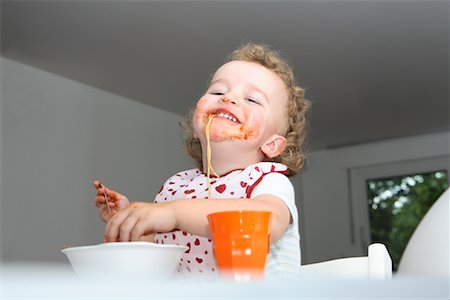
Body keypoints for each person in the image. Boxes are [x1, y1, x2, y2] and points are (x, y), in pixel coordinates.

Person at [94, 43, 310, 280]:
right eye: (218, 92)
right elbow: (168, 250)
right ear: (196, 130)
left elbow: (266, 221)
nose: (229, 98)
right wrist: (133, 221)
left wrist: (173, 213)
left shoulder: (268, 180)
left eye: (252, 99)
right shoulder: (178, 187)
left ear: (271, 144)